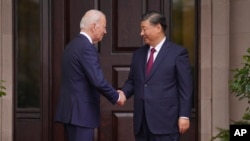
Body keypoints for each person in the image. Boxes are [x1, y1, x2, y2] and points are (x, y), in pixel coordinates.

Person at [119, 11, 193, 141]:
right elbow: (132, 81)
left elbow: (185, 87)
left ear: (158, 27)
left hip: (165, 122)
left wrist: (184, 115)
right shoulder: (138, 54)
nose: (141, 33)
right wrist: (123, 93)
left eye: (144, 29)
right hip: (142, 123)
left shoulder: (178, 53)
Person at [55, 9, 126, 141]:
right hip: (80, 114)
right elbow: (97, 80)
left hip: (72, 113)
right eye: (104, 27)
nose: (105, 31)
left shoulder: (72, 45)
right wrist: (116, 96)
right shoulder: (86, 47)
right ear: (94, 26)